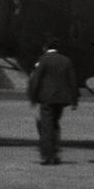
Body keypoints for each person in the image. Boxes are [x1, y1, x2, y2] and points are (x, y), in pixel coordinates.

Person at [27, 36, 78, 165]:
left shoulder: (43, 60)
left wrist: (33, 97)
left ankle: (47, 155)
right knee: (55, 124)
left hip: (46, 98)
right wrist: (74, 99)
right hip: (61, 99)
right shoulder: (66, 60)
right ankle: (56, 153)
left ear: (45, 47)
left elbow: (36, 79)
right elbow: (72, 81)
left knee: (46, 127)